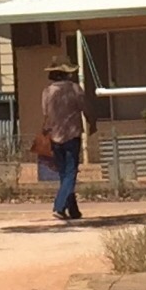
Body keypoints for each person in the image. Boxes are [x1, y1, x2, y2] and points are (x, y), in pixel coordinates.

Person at [37, 63, 88, 222]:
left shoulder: (47, 91)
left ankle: (73, 210)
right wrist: (92, 122)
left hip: (54, 136)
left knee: (64, 174)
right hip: (72, 135)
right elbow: (85, 107)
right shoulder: (75, 89)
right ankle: (59, 207)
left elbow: (45, 113)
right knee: (70, 173)